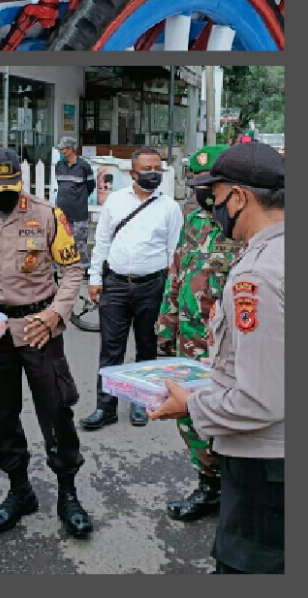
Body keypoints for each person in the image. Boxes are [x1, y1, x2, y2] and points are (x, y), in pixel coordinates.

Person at [149, 142, 284, 574]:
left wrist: (190, 404)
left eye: (218, 196)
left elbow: (260, 400)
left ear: (240, 197)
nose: (213, 207)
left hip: (266, 469)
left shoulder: (258, 273)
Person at [0, 148, 91, 538]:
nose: (5, 194)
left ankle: (68, 493)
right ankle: (19, 490)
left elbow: (72, 270)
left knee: (56, 411)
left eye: (12, 187)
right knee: (0, 412)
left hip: (39, 326)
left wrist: (55, 314)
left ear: (21, 183)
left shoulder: (47, 215)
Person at [154, 143, 234, 522]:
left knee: (231, 417)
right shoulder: (194, 222)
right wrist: (165, 326)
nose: (201, 191)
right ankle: (209, 485)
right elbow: (177, 275)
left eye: (208, 184)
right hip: (189, 338)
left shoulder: (245, 226)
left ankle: (239, 491)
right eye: (196, 183)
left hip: (228, 349)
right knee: (190, 418)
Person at [80, 148, 184, 430]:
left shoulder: (170, 208)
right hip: (115, 284)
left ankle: (142, 402)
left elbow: (174, 252)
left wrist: (171, 293)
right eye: (147, 169)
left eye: (157, 169)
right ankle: (105, 407)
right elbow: (101, 243)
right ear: (133, 174)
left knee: (146, 347)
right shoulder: (115, 202)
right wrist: (94, 279)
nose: (153, 174)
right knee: (110, 349)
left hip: (152, 286)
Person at [53, 137, 95, 270]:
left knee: (80, 245)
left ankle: (86, 271)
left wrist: (78, 198)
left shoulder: (84, 166)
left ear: (71, 149)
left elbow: (91, 186)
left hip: (78, 215)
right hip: (61, 214)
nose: (61, 151)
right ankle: (60, 270)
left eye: (63, 149)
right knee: (60, 242)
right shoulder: (59, 166)